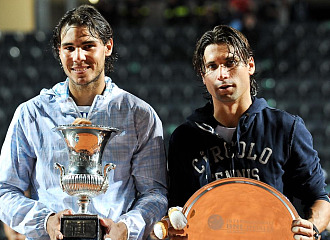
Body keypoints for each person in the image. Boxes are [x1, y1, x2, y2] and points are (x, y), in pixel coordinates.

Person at [0, 4, 167, 240]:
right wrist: (46, 222)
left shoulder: (139, 115)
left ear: (107, 46)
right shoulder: (31, 113)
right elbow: (4, 190)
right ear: (59, 51)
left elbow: (154, 193)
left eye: (88, 46)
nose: (78, 57)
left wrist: (126, 227)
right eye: (69, 48)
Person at [167, 25, 330, 239]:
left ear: (250, 65)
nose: (222, 74)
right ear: (203, 75)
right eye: (212, 66)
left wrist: (312, 226)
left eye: (230, 63)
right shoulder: (184, 138)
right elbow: (176, 207)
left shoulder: (286, 128)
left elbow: (319, 198)